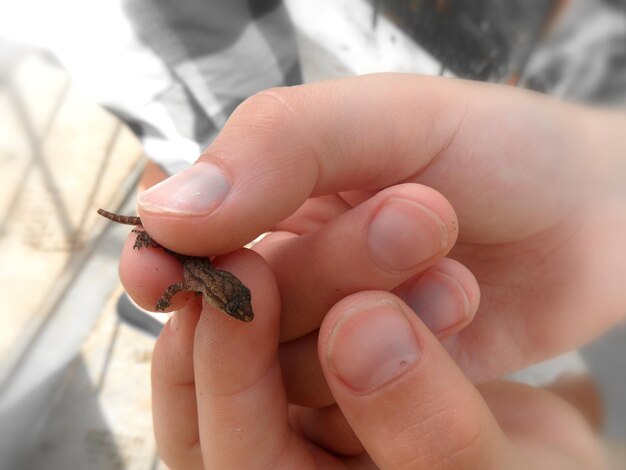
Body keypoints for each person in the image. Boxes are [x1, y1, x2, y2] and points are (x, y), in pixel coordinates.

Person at [118, 74, 626, 468]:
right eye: (234, 305)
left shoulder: (213, 285)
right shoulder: (204, 281)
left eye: (236, 303)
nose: (237, 307)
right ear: (219, 292)